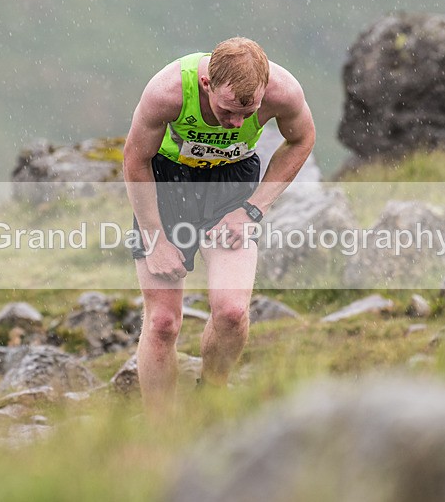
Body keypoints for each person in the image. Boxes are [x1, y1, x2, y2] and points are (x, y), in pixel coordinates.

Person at [123, 37, 315, 416]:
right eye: (227, 110)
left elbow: (302, 140)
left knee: (230, 312)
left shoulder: (284, 91)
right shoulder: (168, 92)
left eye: (250, 112)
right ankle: (161, 430)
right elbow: (134, 159)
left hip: (231, 185)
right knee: (162, 322)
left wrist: (252, 210)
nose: (237, 123)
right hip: (165, 184)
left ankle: (211, 392)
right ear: (208, 83)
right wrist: (154, 237)